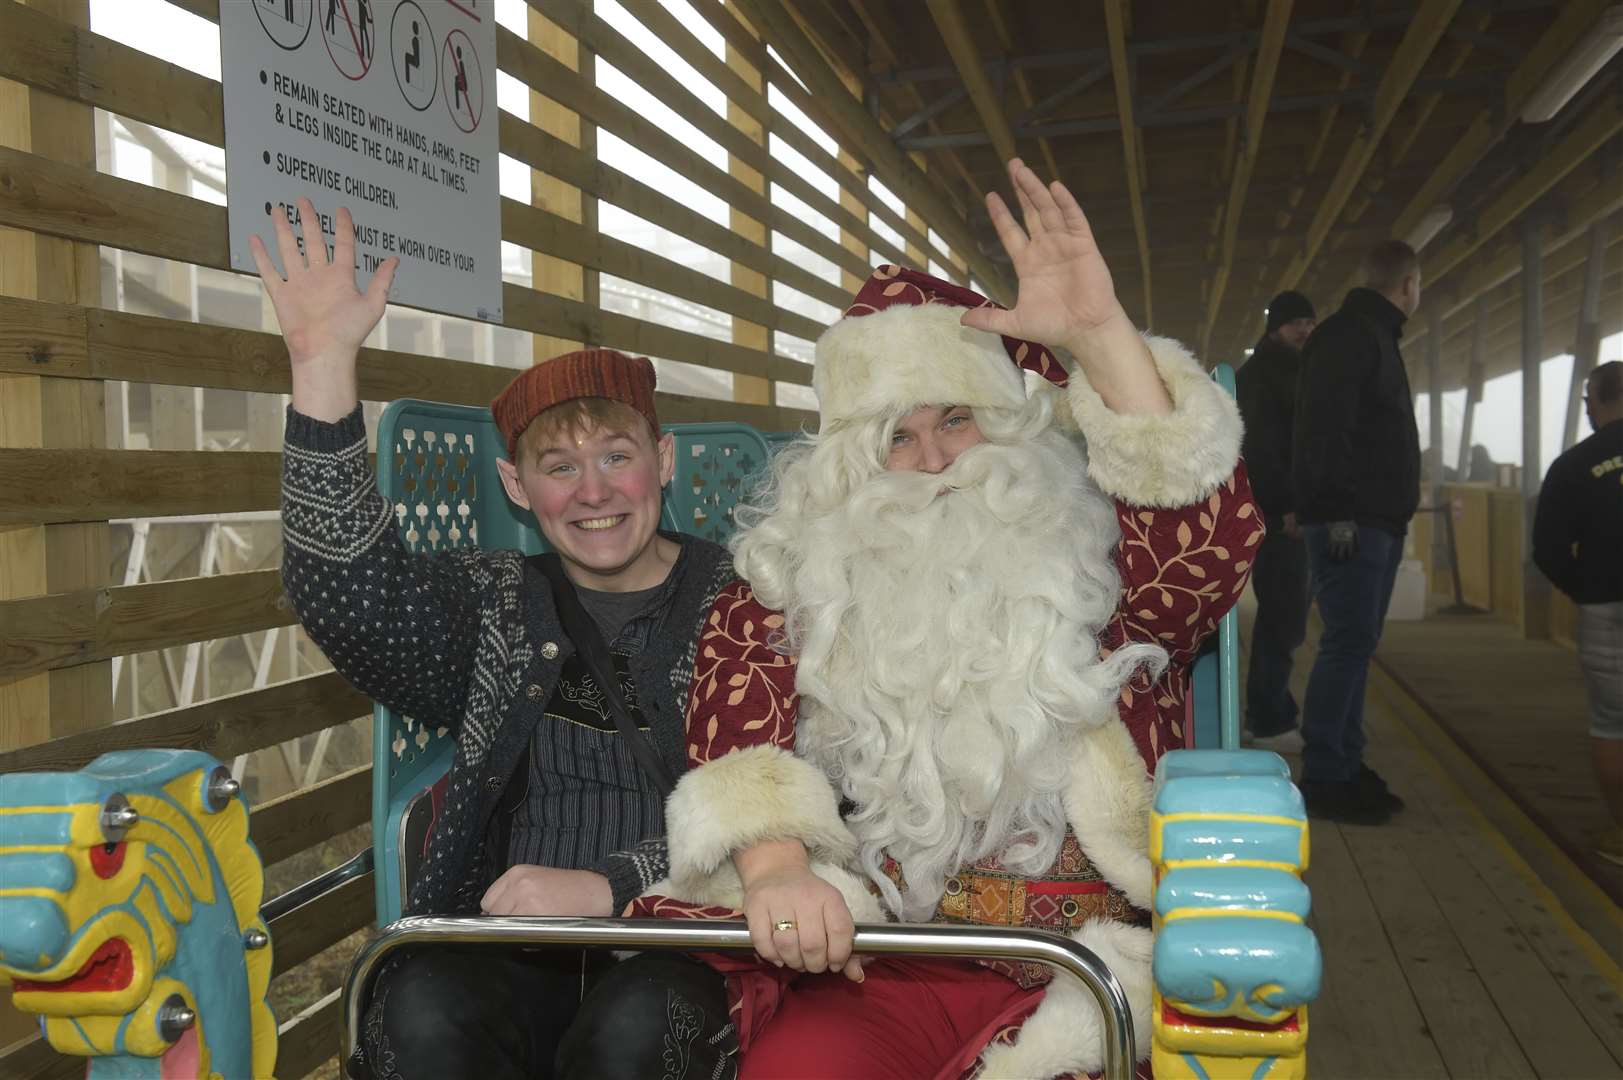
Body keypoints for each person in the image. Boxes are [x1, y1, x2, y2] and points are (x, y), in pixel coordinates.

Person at [621, 160, 1260, 1079]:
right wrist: (772, 868)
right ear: (848, 462)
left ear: (1011, 425)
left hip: (1088, 967)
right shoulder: (788, 585)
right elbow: (737, 739)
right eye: (895, 434)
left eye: (955, 419)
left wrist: (1099, 335)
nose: (930, 461)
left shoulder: (1102, 564)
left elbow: (1206, 536)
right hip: (883, 962)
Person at [252, 197, 734, 1079]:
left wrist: (615, 886)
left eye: (616, 456)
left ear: (662, 461)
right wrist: (322, 368)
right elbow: (348, 593)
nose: (593, 492)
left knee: (641, 1028)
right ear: (517, 484)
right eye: (559, 466)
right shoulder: (495, 599)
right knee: (419, 1005)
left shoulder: (743, 604)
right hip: (505, 949)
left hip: (687, 947)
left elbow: (801, 799)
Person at [1292, 240, 1422, 825]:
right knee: (1346, 644)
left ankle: (1345, 760)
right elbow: (1325, 429)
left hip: (1371, 519)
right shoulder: (1352, 337)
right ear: (1409, 284)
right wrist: (1338, 509)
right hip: (1354, 521)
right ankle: (1325, 774)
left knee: (1355, 645)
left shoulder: (1366, 336)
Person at [1533, 360, 1623, 866]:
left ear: (1594, 401)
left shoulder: (1572, 465)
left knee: (1613, 722)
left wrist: (1583, 588)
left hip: (1604, 605)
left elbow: (1546, 548)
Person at [1236, 290, 1317, 752]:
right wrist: (1286, 504)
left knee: (1281, 617)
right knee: (1283, 616)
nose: (1304, 329)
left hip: (1275, 510)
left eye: (1308, 321)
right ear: (1275, 327)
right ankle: (1267, 717)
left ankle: (1268, 710)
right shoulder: (1267, 376)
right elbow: (1265, 448)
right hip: (1278, 515)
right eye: (1295, 323)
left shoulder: (1284, 370)